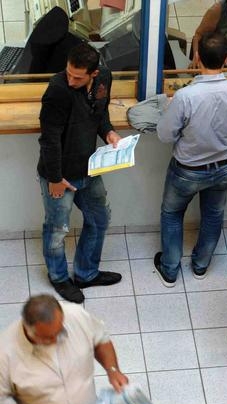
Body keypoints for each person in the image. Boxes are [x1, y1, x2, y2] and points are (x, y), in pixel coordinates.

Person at [154, 32, 227, 287]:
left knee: (172, 214)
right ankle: (200, 265)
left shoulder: (187, 96)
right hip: (225, 167)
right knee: (213, 215)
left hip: (187, 170)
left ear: (197, 58)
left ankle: (170, 269)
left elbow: (165, 135)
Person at [37, 42, 123, 304]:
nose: (71, 79)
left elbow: (100, 112)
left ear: (94, 73)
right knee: (58, 229)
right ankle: (59, 277)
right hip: (60, 174)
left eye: (78, 76)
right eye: (69, 72)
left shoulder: (103, 79)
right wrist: (54, 178)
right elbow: (49, 139)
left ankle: (86, 273)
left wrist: (108, 131)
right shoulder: (57, 91)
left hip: (90, 167)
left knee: (99, 219)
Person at [0, 294, 128, 404]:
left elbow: (101, 339)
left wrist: (113, 370)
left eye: (59, 331)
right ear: (27, 329)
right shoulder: (5, 353)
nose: (56, 340)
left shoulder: (76, 316)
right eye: (48, 338)